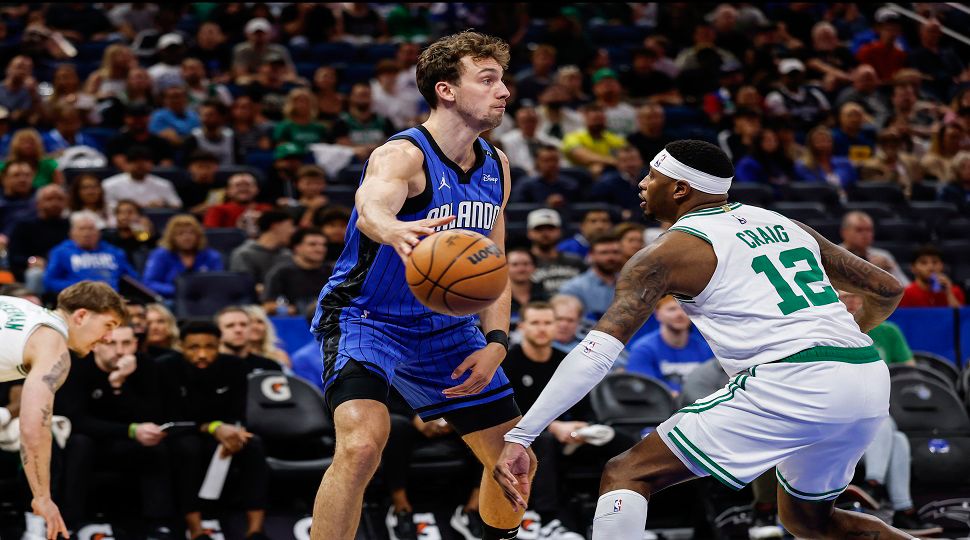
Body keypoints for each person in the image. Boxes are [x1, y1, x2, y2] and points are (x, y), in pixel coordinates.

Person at [495, 139, 912, 540]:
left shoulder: (667, 254)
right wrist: (845, 339)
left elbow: (596, 352)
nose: (642, 183)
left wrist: (523, 434)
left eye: (652, 175)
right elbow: (888, 289)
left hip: (794, 380)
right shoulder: (784, 223)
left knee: (627, 473)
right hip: (867, 378)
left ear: (679, 189)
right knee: (810, 523)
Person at [310, 31, 530, 540]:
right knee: (363, 444)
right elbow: (371, 206)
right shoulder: (402, 155)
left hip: (446, 330)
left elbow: (493, 265)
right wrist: (394, 229)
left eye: (503, 80)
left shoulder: (497, 165)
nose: (504, 92)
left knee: (515, 461)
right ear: (446, 89)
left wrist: (496, 343)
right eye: (488, 79)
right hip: (367, 318)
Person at [1, 281, 125, 539]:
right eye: (108, 325)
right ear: (81, 316)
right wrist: (43, 497)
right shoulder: (54, 346)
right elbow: (34, 426)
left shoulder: (23, 308)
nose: (108, 338)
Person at [503, 302, 630, 539]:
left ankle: (619, 515)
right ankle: (548, 520)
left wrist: (585, 428)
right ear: (521, 327)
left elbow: (586, 409)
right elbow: (508, 415)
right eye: (535, 323)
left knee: (619, 440)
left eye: (548, 323)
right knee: (545, 441)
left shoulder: (567, 360)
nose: (542, 329)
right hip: (523, 439)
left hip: (570, 437)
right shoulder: (509, 363)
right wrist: (552, 426)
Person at [839, 291, 943, 536]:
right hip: (842, 426)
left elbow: (909, 373)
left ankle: (896, 504)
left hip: (875, 424)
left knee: (898, 438)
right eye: (844, 297)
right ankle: (883, 492)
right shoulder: (832, 332)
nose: (852, 301)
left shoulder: (888, 331)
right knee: (882, 421)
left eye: (857, 296)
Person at [56, 324, 175, 536]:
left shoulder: (147, 367)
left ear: (136, 344)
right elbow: (76, 419)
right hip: (92, 440)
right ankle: (71, 523)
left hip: (128, 441)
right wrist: (129, 430)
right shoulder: (76, 367)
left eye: (126, 343)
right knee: (80, 443)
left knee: (157, 447)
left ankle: (158, 525)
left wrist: (119, 385)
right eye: (110, 343)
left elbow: (153, 416)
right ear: (94, 346)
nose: (120, 351)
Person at [158, 321, 270, 540]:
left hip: (224, 432)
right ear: (181, 346)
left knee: (253, 444)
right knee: (188, 448)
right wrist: (212, 427)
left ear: (219, 345)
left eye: (209, 347)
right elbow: (169, 418)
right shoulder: (165, 367)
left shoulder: (235, 367)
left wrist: (234, 432)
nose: (202, 354)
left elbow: (238, 412)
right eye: (194, 347)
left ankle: (255, 530)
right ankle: (196, 530)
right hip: (183, 433)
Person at [624, 296, 715, 394]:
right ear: (657, 314)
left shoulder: (706, 349)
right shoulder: (643, 349)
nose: (680, 314)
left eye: (685, 309)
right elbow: (643, 390)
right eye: (672, 309)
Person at [42, 211, 137, 294]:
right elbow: (49, 281)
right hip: (78, 298)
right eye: (81, 229)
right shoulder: (61, 252)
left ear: (99, 233)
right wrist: (82, 286)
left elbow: (134, 279)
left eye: (91, 228)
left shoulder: (115, 252)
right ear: (72, 233)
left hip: (113, 298)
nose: (86, 233)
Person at [142, 214, 224, 299]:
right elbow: (149, 283)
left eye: (191, 233)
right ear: (172, 237)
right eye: (180, 234)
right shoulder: (160, 255)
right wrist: (179, 290)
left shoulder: (212, 256)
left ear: (198, 236)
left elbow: (218, 283)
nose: (186, 237)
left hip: (205, 299)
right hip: (171, 300)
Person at [262, 227, 332, 316]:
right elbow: (267, 305)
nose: (320, 249)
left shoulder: (333, 272)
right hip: (292, 324)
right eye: (312, 244)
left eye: (324, 245)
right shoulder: (281, 273)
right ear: (297, 247)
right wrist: (286, 310)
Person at [558, 233, 623, 319]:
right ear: (591, 255)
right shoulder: (573, 288)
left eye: (615, 252)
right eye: (604, 253)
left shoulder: (631, 285)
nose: (610, 257)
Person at [102, 147, 183, 213]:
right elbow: (107, 207)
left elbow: (177, 205)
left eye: (145, 161)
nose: (140, 165)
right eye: (135, 162)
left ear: (151, 163)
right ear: (126, 164)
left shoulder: (163, 184)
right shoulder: (110, 184)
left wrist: (163, 205)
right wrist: (134, 207)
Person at [839, 211, 910, 286]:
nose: (865, 234)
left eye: (869, 230)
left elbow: (905, 287)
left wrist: (886, 275)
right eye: (859, 230)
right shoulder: (833, 254)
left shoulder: (883, 256)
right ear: (844, 232)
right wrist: (873, 273)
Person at [526, 208, 586, 296]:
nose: (545, 233)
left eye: (550, 228)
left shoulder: (576, 261)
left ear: (559, 231)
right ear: (529, 233)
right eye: (539, 229)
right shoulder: (522, 264)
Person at [228, 209, 295, 285]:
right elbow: (242, 286)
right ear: (275, 226)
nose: (293, 231)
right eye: (290, 226)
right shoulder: (243, 254)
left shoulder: (287, 255)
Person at [214, 306, 282, 373]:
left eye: (243, 325)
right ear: (218, 331)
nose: (238, 330)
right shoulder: (208, 366)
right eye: (230, 325)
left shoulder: (270, 367)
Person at [509, 145, 580, 208]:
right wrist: (544, 205)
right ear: (537, 163)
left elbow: (579, 207)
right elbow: (516, 208)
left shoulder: (570, 184)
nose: (551, 164)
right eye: (546, 161)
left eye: (554, 160)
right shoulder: (525, 185)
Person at [589, 146, 647, 221]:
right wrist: (619, 212)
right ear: (617, 163)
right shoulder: (605, 182)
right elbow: (598, 204)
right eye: (625, 161)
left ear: (641, 161)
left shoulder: (650, 180)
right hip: (615, 221)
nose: (630, 164)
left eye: (633, 160)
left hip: (646, 219)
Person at [899, 245, 965, 308]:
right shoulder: (905, 295)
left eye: (935, 262)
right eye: (923, 263)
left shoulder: (955, 291)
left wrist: (949, 293)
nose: (930, 267)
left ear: (942, 266)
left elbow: (961, 318)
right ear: (913, 268)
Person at [202, 172, 272, 231]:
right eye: (238, 185)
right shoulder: (216, 210)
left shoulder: (267, 210)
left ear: (257, 189)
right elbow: (211, 236)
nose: (243, 188)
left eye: (248, 185)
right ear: (228, 191)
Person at [507, 247, 549, 317]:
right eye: (515, 264)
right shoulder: (497, 295)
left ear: (534, 267)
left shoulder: (543, 292)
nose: (521, 269)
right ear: (504, 267)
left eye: (526, 264)